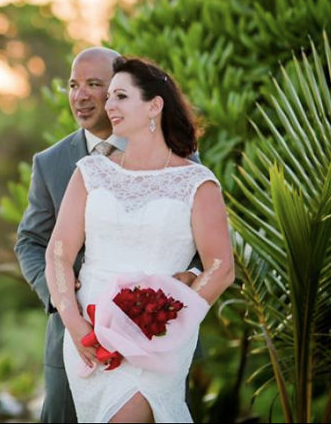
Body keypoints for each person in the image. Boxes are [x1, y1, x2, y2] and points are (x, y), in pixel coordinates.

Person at [14, 47, 201, 423]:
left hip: (157, 335)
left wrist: (191, 277)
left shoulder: (179, 158)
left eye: (94, 84)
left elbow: (200, 235)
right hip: (78, 334)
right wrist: (63, 296)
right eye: (73, 85)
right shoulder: (51, 162)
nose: (80, 96)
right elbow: (31, 241)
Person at [44, 56, 234, 423]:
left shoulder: (197, 182)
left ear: (154, 106)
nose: (109, 106)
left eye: (121, 96)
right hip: (92, 333)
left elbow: (221, 267)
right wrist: (74, 322)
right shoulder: (90, 171)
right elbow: (58, 254)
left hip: (159, 337)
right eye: (109, 97)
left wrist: (171, 318)